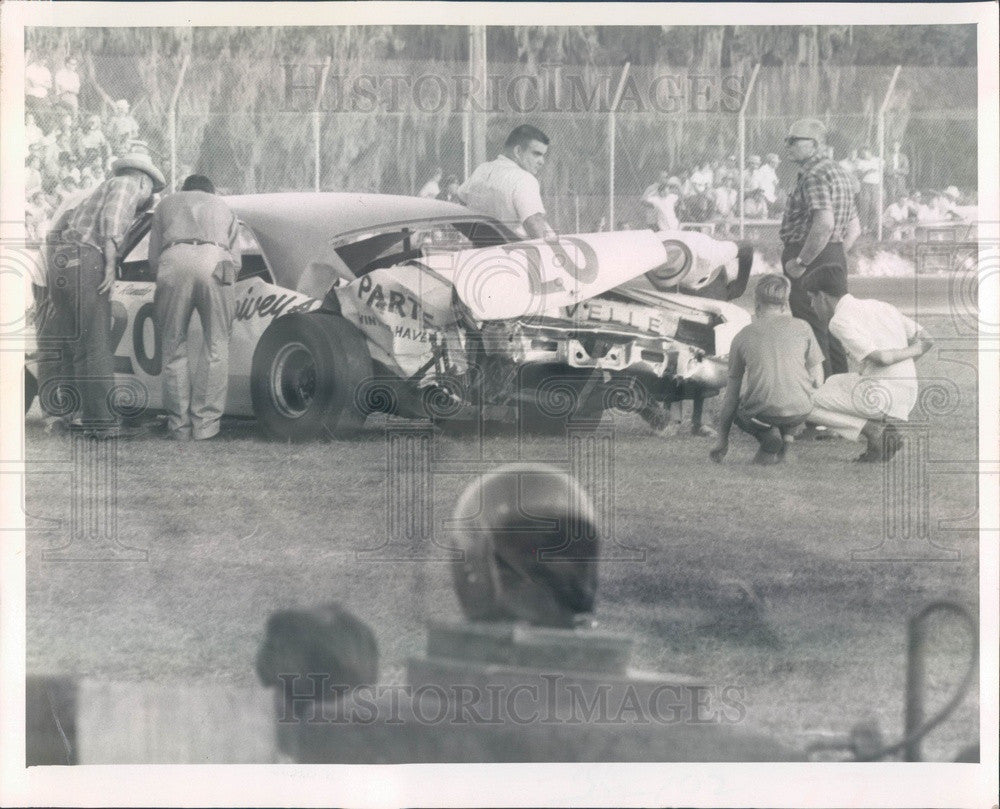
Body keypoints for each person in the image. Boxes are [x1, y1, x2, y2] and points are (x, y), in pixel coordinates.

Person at [37, 144, 165, 437]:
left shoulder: (96, 191)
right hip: (88, 260)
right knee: (95, 344)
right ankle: (102, 423)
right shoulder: (127, 185)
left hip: (63, 262)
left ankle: (73, 415)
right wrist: (110, 264)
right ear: (144, 180)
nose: (146, 200)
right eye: (150, 193)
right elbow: (114, 219)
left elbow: (57, 232)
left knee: (74, 343)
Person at [804, 272, 934, 462]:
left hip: (881, 395)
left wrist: (892, 359)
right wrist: (908, 360)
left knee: (802, 403)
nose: (811, 306)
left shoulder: (839, 321)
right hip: (907, 392)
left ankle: (874, 432)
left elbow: (882, 358)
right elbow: (927, 339)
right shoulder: (882, 306)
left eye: (811, 298)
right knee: (833, 381)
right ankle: (879, 441)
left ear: (822, 296)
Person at [148, 174, 240, 441]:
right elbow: (236, 260)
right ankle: (205, 426)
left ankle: (179, 426)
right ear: (211, 191)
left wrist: (162, 274)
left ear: (184, 189)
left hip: (174, 258)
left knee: (173, 343)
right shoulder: (224, 205)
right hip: (217, 257)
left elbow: (153, 257)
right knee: (216, 344)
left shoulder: (166, 203)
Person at [710, 275, 824, 465]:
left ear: (756, 302)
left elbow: (731, 395)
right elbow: (818, 379)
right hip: (801, 411)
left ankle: (767, 435)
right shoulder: (803, 327)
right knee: (791, 392)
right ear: (785, 302)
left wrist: (722, 440)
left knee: (739, 406)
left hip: (762, 413)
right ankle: (786, 447)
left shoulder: (742, 336)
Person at [779, 118, 861, 379]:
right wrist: (834, 252)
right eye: (787, 140)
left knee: (813, 329)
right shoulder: (840, 172)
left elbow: (824, 223)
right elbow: (854, 227)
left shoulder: (814, 174)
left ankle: (822, 397)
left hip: (809, 256)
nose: (787, 145)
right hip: (832, 253)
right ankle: (841, 388)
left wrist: (802, 261)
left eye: (793, 140)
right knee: (834, 327)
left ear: (814, 145)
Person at [457, 124, 555, 239]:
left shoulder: (482, 169)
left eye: (543, 155)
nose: (542, 161)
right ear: (518, 151)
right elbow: (535, 225)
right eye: (536, 154)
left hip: (480, 249)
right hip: (514, 252)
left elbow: (461, 197)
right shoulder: (524, 179)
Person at [855, 147, 882, 235]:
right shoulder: (860, 162)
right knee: (864, 206)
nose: (864, 155)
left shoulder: (877, 160)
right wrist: (868, 171)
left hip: (876, 186)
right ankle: (864, 227)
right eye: (862, 153)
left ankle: (872, 227)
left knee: (875, 206)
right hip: (865, 185)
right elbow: (859, 175)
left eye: (865, 153)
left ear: (870, 152)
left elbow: (883, 169)